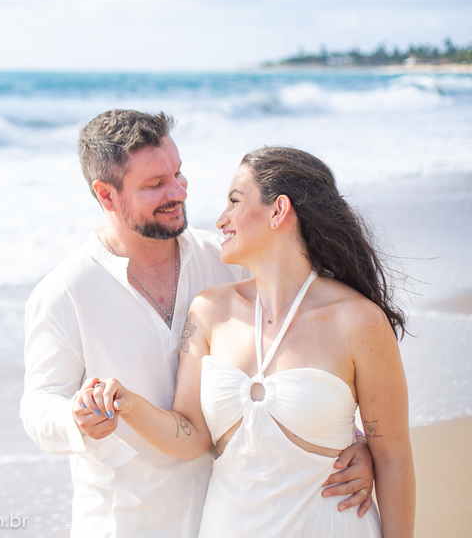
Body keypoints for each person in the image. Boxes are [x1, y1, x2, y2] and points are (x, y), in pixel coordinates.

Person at [20, 111, 375, 537]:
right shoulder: (65, 292)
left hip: (231, 513)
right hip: (126, 522)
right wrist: (76, 418)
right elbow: (38, 406)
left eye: (178, 172)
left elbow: (309, 346)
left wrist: (353, 439)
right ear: (106, 195)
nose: (178, 191)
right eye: (155, 184)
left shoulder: (226, 261)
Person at [84, 146, 414, 536]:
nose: (221, 218)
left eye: (235, 202)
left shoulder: (358, 322)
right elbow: (191, 435)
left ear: (278, 211)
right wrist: (128, 403)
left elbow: (392, 458)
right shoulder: (209, 310)